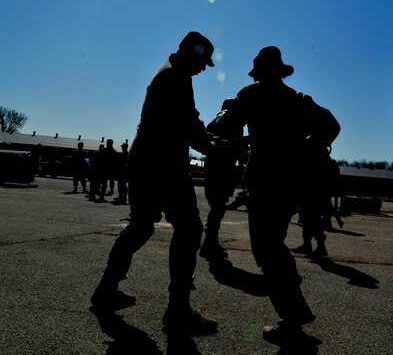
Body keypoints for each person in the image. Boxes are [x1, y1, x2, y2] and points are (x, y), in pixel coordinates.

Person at [91, 31, 220, 336]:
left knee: (141, 226)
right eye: (203, 61)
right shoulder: (174, 77)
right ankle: (178, 311)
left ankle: (106, 291)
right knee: (189, 229)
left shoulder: (172, 73)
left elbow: (190, 120)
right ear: (192, 53)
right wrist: (215, 148)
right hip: (162, 164)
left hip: (147, 161)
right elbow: (188, 126)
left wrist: (212, 140)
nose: (204, 68)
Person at [214, 46, 340, 342]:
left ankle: (293, 312)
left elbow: (224, 128)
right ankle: (292, 302)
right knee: (274, 244)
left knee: (267, 248)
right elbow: (332, 125)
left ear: (259, 72)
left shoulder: (252, 94)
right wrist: (308, 147)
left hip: (264, 181)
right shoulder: (298, 99)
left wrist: (223, 112)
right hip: (291, 183)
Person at [200, 98, 248, 260]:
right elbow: (234, 146)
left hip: (214, 166)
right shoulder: (231, 120)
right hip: (222, 167)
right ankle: (209, 242)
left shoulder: (215, 121)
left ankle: (210, 240)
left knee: (217, 205)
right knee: (219, 206)